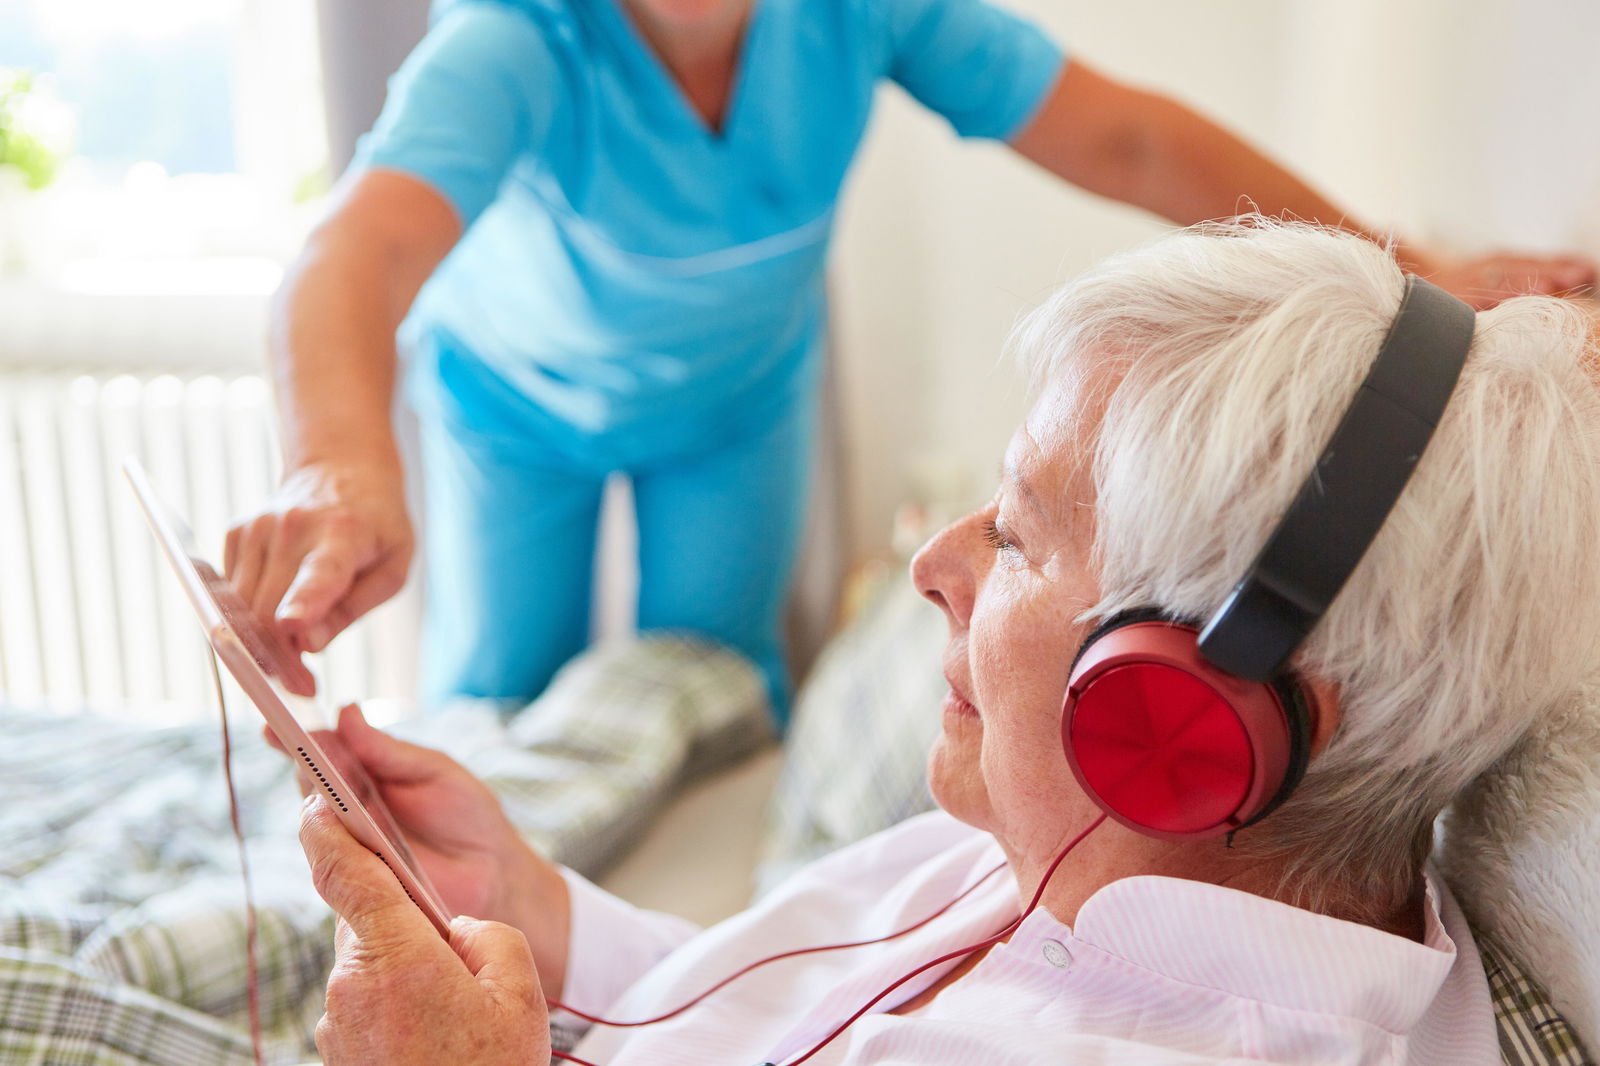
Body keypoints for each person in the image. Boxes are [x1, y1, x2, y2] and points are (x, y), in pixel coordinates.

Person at [293, 220, 1600, 1064]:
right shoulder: (1083, 853)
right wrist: (541, 912)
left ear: (1188, 719)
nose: (932, 565)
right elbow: (773, 1012)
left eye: (1021, 538)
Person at [225, 0, 1595, 722]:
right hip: (514, 406)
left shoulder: (861, 11)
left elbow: (1128, 142)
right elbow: (348, 259)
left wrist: (1402, 268)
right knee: (503, 691)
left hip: (737, 399)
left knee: (712, 684)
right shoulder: (514, 40)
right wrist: (340, 469)